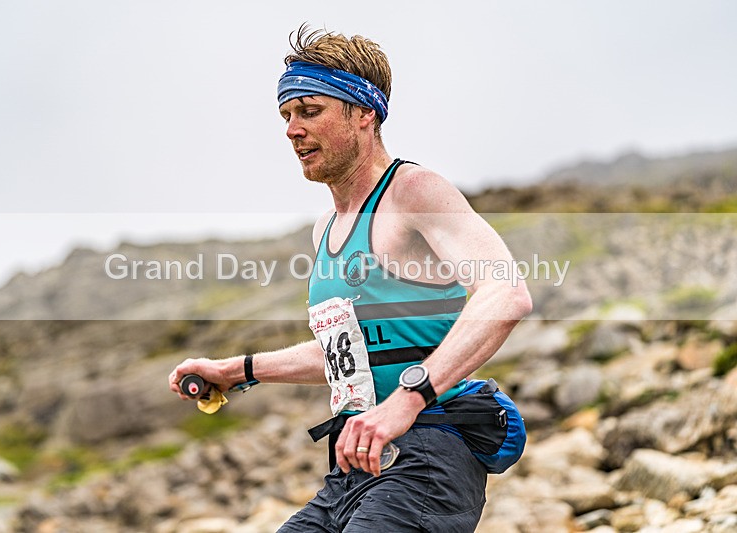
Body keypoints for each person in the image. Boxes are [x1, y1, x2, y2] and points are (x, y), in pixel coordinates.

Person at [169, 25, 532, 532]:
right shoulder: (326, 231)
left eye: (310, 111)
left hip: (428, 453)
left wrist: (405, 403)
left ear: (365, 114)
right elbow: (350, 353)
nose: (292, 130)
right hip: (353, 462)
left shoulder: (414, 191)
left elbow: (506, 292)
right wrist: (235, 370)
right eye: (287, 116)